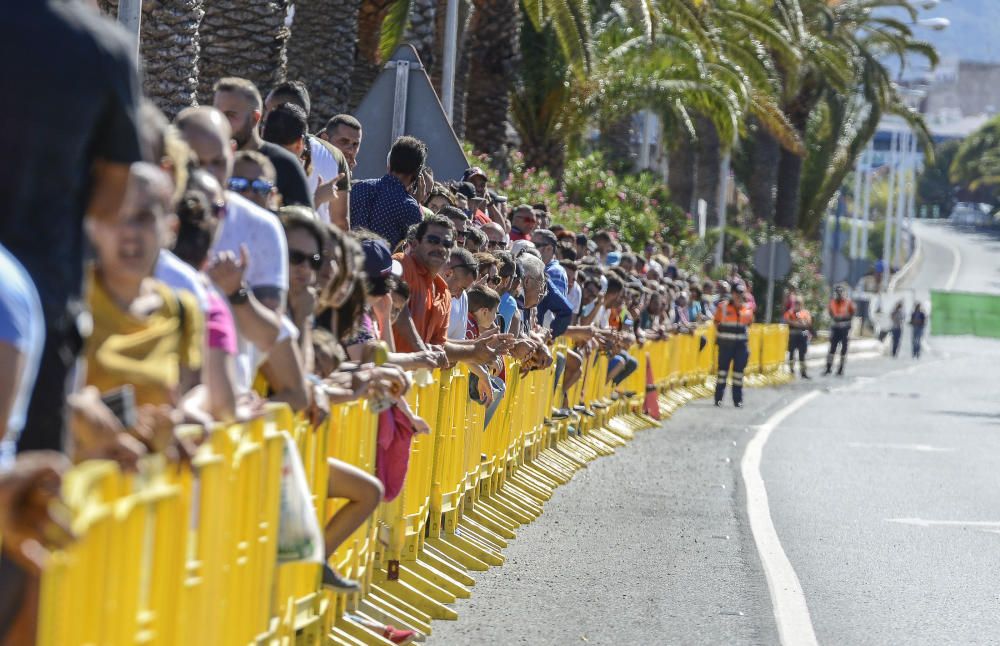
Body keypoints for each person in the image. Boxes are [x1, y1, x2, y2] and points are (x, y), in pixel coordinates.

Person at [1, 1, 144, 455]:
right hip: (42, 307)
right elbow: (115, 191)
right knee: (28, 493)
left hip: (42, 305)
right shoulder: (102, 48)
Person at [212, 77, 312, 208]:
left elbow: (304, 222)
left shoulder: (284, 164)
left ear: (255, 118)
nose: (222, 121)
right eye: (217, 114)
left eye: (230, 115)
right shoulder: (207, 161)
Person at [264, 81, 351, 227]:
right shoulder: (334, 154)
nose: (263, 116)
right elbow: (341, 223)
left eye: (269, 110)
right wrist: (317, 199)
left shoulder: (260, 153)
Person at [350, 136, 427, 250]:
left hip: (350, 261)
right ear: (417, 172)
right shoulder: (409, 206)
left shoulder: (358, 187)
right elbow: (415, 249)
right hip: (383, 266)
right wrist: (418, 204)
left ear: (390, 163)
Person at [713, 283, 754, 407]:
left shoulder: (747, 310)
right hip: (725, 346)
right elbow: (716, 322)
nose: (739, 296)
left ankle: (738, 400)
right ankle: (718, 399)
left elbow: (749, 325)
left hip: (740, 347)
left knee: (738, 374)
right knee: (722, 373)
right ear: (732, 294)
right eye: (737, 293)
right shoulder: (723, 307)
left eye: (741, 293)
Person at [445, 248, 479, 340]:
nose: (459, 296)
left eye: (464, 290)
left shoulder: (462, 297)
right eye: (461, 288)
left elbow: (458, 340)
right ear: (449, 273)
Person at [825, 284, 856, 376]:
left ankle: (840, 369)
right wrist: (836, 318)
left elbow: (852, 314)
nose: (839, 294)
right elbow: (830, 314)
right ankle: (828, 368)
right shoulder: (832, 302)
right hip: (835, 328)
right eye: (837, 292)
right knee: (832, 349)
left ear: (843, 293)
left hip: (845, 329)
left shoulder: (848, 303)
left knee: (843, 350)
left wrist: (844, 317)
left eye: (840, 292)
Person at [783, 297, 812, 378]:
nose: (797, 306)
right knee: (791, 354)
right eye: (796, 304)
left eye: (798, 304)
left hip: (802, 336)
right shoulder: (790, 312)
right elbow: (787, 320)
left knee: (802, 355)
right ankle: (791, 371)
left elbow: (808, 324)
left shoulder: (805, 313)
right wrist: (797, 323)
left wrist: (799, 323)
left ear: (801, 305)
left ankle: (803, 372)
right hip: (793, 336)